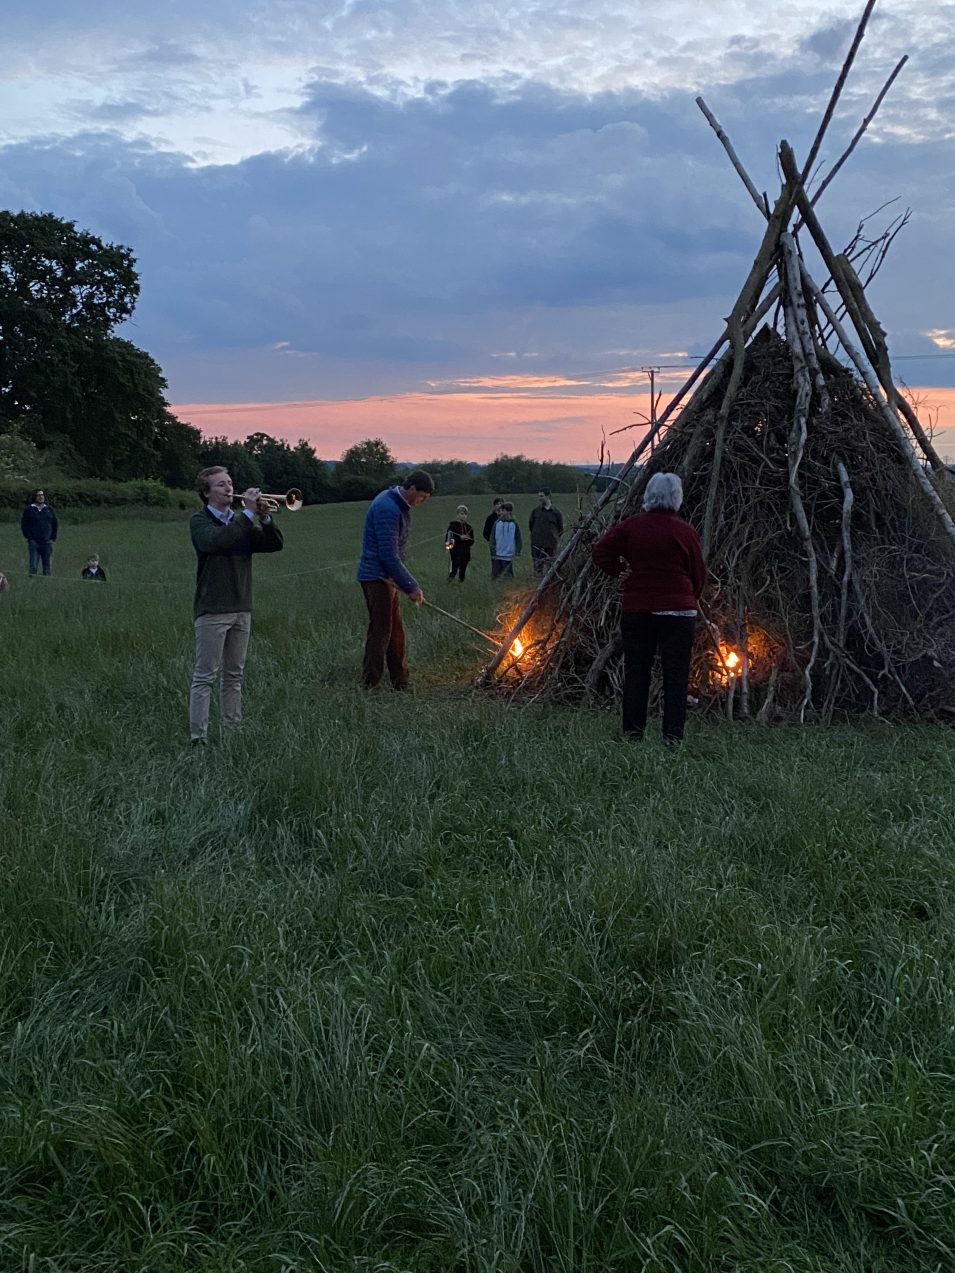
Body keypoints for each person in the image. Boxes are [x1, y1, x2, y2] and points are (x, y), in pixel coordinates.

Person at [591, 472, 706, 746]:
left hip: (638, 609)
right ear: (677, 497)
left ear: (648, 495)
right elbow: (698, 574)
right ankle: (672, 738)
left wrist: (621, 571)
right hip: (678, 613)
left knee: (637, 673)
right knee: (675, 677)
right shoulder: (685, 531)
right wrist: (690, 598)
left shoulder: (631, 527)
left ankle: (633, 735)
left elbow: (600, 552)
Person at [188, 466, 284, 746]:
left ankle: (232, 733)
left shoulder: (240, 521)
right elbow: (217, 541)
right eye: (221, 485)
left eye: (230, 483)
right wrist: (249, 514)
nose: (229, 488)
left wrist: (265, 518)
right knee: (205, 675)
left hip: (242, 607)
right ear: (207, 493)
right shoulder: (200, 521)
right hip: (213, 608)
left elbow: (274, 545)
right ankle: (199, 737)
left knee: (234, 676)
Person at [357, 469, 434, 690]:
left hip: (389, 578)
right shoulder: (387, 508)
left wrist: (401, 580)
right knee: (381, 631)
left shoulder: (399, 505)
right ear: (411, 488)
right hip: (376, 577)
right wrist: (411, 586)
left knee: (395, 630)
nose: (422, 502)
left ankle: (400, 680)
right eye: (422, 497)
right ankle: (370, 683)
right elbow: (388, 554)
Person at [21, 488, 58, 576]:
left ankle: (46, 584)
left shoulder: (49, 509)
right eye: (38, 495)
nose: (41, 497)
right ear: (35, 497)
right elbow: (24, 525)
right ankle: (31, 584)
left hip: (47, 543)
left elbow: (55, 524)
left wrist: (53, 538)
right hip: (34, 543)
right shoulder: (29, 510)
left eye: (42, 495)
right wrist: (30, 538)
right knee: (33, 566)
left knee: (47, 567)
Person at [528, 487, 564, 574]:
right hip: (537, 544)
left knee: (551, 568)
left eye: (542, 496)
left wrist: (554, 538)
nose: (539, 498)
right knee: (537, 567)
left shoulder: (556, 513)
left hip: (550, 544)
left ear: (548, 496)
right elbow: (531, 526)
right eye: (539, 496)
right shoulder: (535, 512)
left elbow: (560, 528)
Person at [489, 502, 522, 579]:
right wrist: (492, 548)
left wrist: (518, 550)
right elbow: (492, 537)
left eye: (503, 510)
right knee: (495, 575)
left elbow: (518, 538)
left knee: (508, 575)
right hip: (498, 553)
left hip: (508, 554)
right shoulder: (497, 523)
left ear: (509, 512)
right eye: (501, 510)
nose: (501, 512)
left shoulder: (514, 524)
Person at [445, 504, 475, 582]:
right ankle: (449, 582)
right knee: (454, 569)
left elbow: (472, 541)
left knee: (463, 570)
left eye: (465, 514)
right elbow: (449, 541)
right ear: (457, 514)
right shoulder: (452, 526)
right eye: (462, 514)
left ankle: (461, 584)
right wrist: (459, 538)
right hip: (455, 551)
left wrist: (468, 539)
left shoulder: (469, 527)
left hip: (466, 552)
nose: (463, 516)